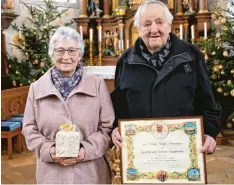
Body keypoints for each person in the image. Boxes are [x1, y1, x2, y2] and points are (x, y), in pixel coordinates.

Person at [111, 0, 220, 154]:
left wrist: (210, 133)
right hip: (141, 153)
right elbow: (119, 106)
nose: (154, 29)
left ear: (169, 25)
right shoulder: (126, 60)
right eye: (147, 24)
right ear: (138, 28)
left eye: (159, 22)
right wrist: (115, 128)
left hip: (183, 152)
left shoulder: (191, 55)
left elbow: (208, 103)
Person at [22, 26, 114, 184]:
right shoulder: (36, 88)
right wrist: (50, 151)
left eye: (72, 50)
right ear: (52, 54)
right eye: (60, 51)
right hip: (51, 175)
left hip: (90, 173)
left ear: (80, 53)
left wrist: (86, 150)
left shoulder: (97, 85)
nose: (66, 57)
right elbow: (29, 129)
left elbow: (107, 128)